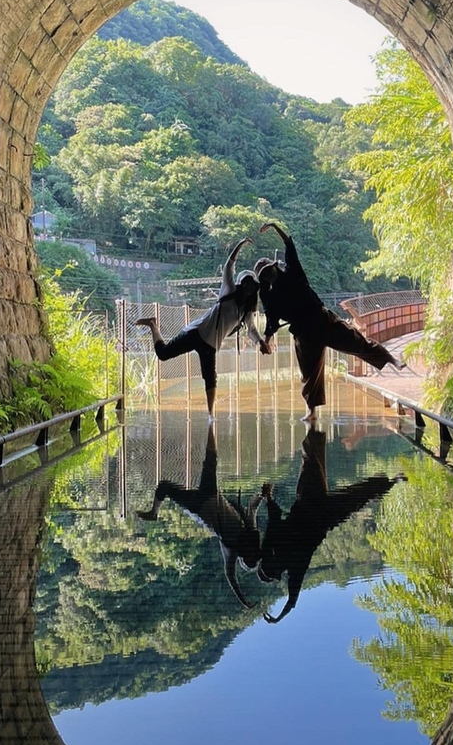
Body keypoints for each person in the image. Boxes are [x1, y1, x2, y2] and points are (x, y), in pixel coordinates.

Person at [254, 222, 404, 422]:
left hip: (321, 318)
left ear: (274, 267)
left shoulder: (293, 273)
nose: (268, 274)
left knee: (355, 341)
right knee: (309, 372)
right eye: (264, 274)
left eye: (268, 270)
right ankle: (312, 411)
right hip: (303, 332)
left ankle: (391, 359)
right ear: (263, 279)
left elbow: (289, 246)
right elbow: (271, 319)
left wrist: (274, 226)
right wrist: (267, 340)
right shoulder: (269, 295)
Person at [256, 424, 403, 623]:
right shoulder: (285, 558)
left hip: (320, 512)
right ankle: (314, 422)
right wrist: (268, 498)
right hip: (314, 505)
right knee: (315, 461)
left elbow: (292, 600)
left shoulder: (292, 565)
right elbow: (274, 519)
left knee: (355, 493)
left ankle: (315, 422)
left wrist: (278, 618)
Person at [136, 237, 269, 420]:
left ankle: (210, 414)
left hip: (211, 344)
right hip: (196, 332)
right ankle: (153, 325)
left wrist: (261, 342)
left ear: (255, 288)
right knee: (163, 354)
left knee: (210, 378)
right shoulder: (229, 290)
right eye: (245, 282)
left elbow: (251, 329)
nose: (248, 286)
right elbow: (228, 267)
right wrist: (240, 244)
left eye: (251, 284)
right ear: (241, 283)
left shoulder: (246, 310)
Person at [136, 422, 265, 608]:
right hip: (208, 497)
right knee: (205, 462)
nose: (249, 553)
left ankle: (154, 513)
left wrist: (244, 601)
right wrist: (263, 495)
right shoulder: (246, 537)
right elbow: (253, 508)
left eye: (250, 557)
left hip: (201, 505)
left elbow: (232, 578)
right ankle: (211, 425)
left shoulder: (233, 548)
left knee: (170, 483)